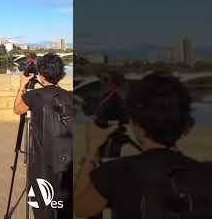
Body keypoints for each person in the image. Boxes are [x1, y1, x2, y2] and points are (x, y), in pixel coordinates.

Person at [73, 72, 197, 219]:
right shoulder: (204, 174)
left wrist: (91, 151)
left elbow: (80, 208)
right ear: (185, 127)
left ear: (136, 125)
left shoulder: (117, 173)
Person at [14, 53, 73, 219]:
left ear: (40, 74)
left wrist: (22, 86)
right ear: (61, 74)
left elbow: (18, 109)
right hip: (66, 161)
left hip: (41, 163)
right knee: (62, 204)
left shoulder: (34, 96)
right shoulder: (70, 96)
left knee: (42, 205)